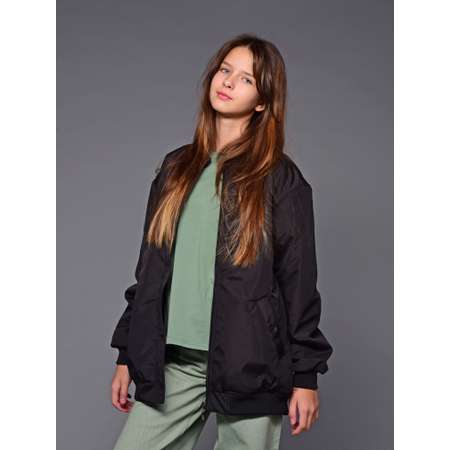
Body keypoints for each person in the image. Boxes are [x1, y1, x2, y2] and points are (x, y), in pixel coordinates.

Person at [110, 33, 333, 450]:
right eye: (225, 70)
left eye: (246, 79)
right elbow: (150, 271)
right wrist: (127, 352)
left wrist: (305, 377)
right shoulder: (176, 169)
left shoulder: (280, 179)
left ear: (263, 101)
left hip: (251, 361)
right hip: (174, 361)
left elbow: (299, 280)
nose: (229, 81)